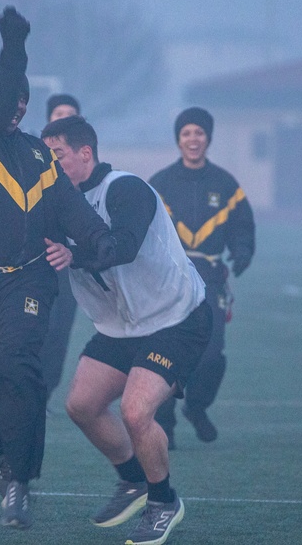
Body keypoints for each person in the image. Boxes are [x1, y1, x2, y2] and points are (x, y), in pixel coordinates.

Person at [0, 7, 114, 530]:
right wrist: (14, 49)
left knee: (19, 368)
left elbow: (74, 214)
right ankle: (0, 456)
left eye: (22, 101)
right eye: (9, 98)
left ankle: (19, 480)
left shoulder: (40, 154)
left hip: (30, 280)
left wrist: (101, 245)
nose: (16, 107)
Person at [41, 115, 210, 545]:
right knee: (80, 404)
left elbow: (123, 246)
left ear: (85, 153)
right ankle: (134, 481)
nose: (50, 166)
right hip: (122, 327)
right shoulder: (54, 204)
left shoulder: (126, 188)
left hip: (176, 319)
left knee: (137, 412)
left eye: (56, 156)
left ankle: (163, 501)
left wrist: (72, 255)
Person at [150, 107, 254, 448]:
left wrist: (242, 251)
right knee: (165, 352)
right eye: (186, 134)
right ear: (178, 140)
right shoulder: (160, 183)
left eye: (199, 133)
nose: (193, 140)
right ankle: (164, 424)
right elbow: (143, 228)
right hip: (167, 282)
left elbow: (243, 226)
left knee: (211, 355)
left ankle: (196, 407)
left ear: (208, 138)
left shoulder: (226, 185)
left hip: (210, 280)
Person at [40, 92, 83, 408]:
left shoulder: (86, 165)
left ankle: (45, 389)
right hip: (30, 261)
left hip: (68, 265)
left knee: (58, 331)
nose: (64, 118)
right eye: (59, 113)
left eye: (71, 114)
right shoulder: (30, 158)